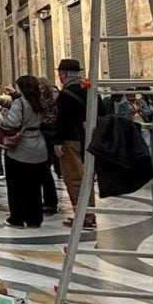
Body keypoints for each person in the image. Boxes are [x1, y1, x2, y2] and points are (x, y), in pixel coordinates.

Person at [0, 76, 49, 228]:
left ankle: (17, 218)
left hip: (21, 147)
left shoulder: (19, 103)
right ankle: (35, 219)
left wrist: (1, 118)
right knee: (35, 186)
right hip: (39, 146)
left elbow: (12, 122)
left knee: (16, 185)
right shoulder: (40, 102)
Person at [55, 59, 95, 230]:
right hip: (89, 140)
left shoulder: (66, 93)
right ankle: (90, 213)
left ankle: (83, 217)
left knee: (74, 178)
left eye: (60, 74)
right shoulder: (90, 89)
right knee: (87, 178)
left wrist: (58, 142)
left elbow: (62, 121)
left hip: (71, 141)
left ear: (64, 74)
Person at [37, 76, 61, 216]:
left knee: (44, 171)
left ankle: (49, 202)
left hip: (46, 136)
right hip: (53, 136)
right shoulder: (54, 100)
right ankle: (49, 202)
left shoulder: (42, 101)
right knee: (44, 171)